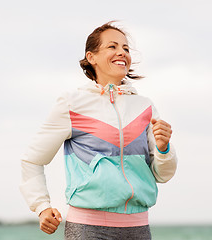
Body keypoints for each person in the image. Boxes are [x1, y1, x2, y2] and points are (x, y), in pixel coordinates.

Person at [19, 21, 177, 240]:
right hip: (87, 229)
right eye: (112, 47)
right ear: (91, 57)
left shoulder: (145, 106)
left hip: (138, 228)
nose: (121, 52)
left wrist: (164, 148)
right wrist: (41, 206)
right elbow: (32, 160)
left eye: (126, 48)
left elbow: (163, 174)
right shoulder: (72, 103)